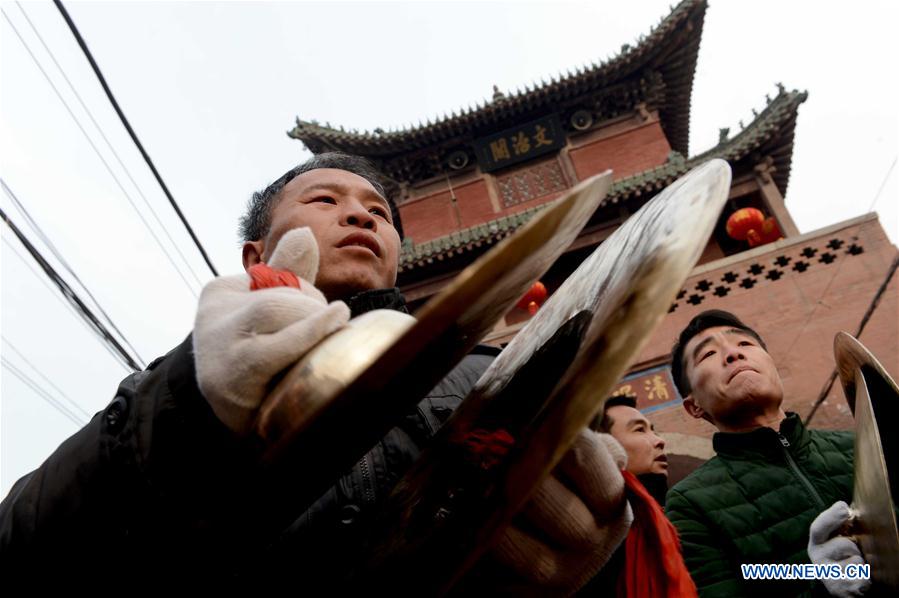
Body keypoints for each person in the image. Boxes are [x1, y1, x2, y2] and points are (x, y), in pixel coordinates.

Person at [0, 152, 630, 594]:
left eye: (378, 213)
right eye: (326, 201)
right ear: (257, 253)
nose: (361, 218)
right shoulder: (182, 386)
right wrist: (190, 403)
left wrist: (601, 563)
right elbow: (22, 545)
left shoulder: (485, 377)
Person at [666, 309, 869, 597]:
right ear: (694, 406)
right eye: (707, 355)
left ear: (772, 365)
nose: (733, 354)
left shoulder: (861, 446)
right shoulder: (689, 503)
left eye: (745, 344)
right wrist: (820, 581)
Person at [582, 395, 697, 597]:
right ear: (604, 445)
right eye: (640, 430)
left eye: (654, 430)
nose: (660, 440)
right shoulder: (582, 541)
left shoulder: (681, 518)